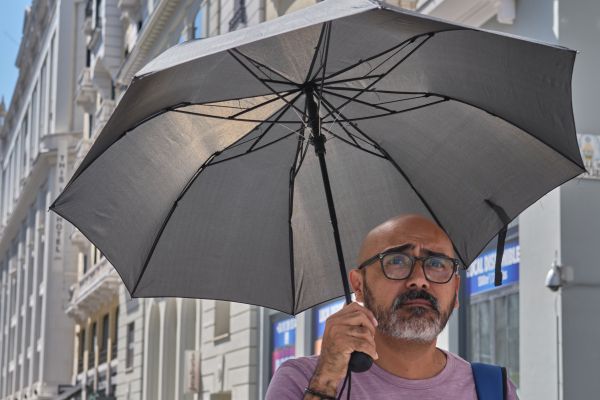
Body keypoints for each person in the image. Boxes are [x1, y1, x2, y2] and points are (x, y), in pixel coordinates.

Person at [265, 214, 519, 399]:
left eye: (436, 264)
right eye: (397, 261)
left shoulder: (493, 389)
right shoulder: (302, 380)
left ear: (455, 291)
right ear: (359, 285)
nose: (419, 279)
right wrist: (326, 382)